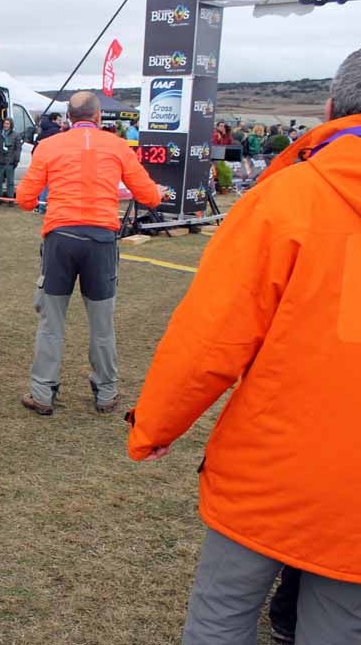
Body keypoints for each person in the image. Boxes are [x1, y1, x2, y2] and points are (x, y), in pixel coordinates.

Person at [125, 48, 361, 645]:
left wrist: (153, 427)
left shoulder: (287, 200)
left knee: (222, 618)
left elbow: (209, 339)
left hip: (272, 471)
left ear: (331, 109)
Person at [15, 91, 164, 416]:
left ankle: (42, 393)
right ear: (99, 118)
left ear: (68, 118)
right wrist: (158, 193)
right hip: (100, 242)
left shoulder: (50, 146)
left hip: (61, 239)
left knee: (51, 322)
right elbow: (149, 197)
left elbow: (25, 199)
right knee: (102, 324)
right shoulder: (118, 146)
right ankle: (105, 393)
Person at [0, 118, 22, 199]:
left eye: (8, 124)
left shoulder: (16, 135)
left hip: (10, 162)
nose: (6, 125)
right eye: (5, 123)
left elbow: (18, 149)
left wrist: (16, 160)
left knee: (10, 182)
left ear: (11, 125)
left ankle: (10, 198)